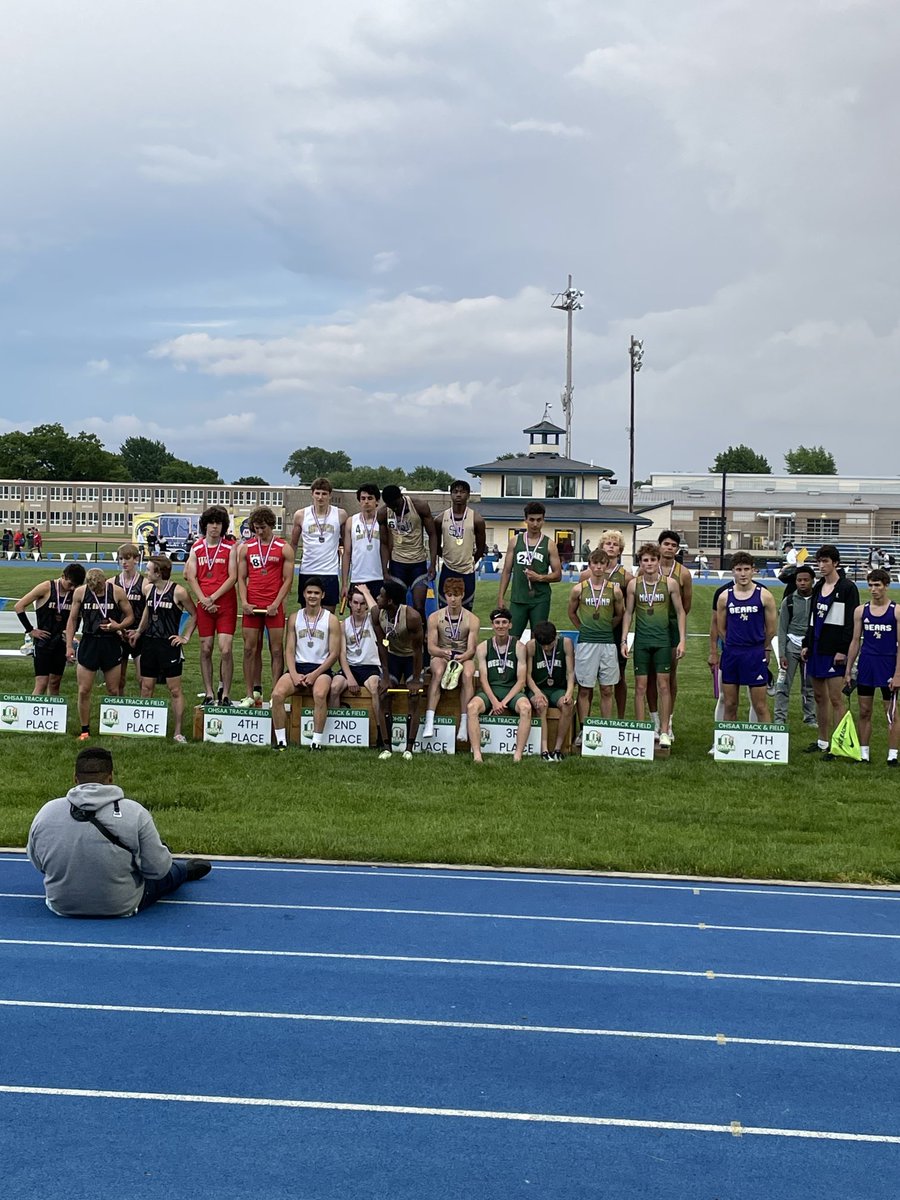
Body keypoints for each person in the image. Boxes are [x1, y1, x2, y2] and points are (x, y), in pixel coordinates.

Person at [27, 747, 211, 917]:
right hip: (121, 905)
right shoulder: (135, 812)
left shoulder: (46, 812)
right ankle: (183, 870)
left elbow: (38, 863)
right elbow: (158, 870)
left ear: (75, 778)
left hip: (61, 904)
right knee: (168, 871)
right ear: (110, 778)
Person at [619, 543, 686, 748]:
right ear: (640, 563)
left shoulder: (670, 584)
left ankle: (664, 730)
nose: (649, 563)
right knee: (640, 687)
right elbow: (628, 613)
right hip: (642, 642)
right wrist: (624, 640)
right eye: (645, 560)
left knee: (664, 685)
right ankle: (642, 730)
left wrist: (682, 640)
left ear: (658, 561)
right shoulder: (634, 585)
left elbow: (680, 612)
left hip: (663, 641)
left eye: (652, 560)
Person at [126, 556, 197, 743]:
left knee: (174, 690)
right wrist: (139, 632)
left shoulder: (179, 592)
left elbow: (194, 614)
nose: (145, 573)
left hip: (169, 645)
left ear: (158, 573)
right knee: (146, 687)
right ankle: (144, 726)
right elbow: (148, 611)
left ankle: (178, 731)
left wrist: (185, 637)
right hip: (149, 643)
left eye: (148, 570)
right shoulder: (148, 589)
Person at [801, 544, 860, 757]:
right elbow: (812, 618)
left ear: (835, 563)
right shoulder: (818, 587)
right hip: (817, 649)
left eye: (825, 561)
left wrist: (843, 650)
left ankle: (839, 744)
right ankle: (822, 741)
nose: (821, 565)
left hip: (835, 651)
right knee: (819, 697)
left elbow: (851, 623)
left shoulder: (847, 588)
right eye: (819, 561)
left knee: (836, 698)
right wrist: (807, 643)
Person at [271, 577, 340, 751]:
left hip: (321, 669)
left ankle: (316, 742)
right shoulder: (294, 618)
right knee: (277, 695)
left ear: (323, 595)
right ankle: (281, 741)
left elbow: (334, 654)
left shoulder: (331, 620)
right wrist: (293, 674)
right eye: (309, 592)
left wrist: (315, 674)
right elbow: (289, 650)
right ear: (303, 594)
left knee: (319, 694)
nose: (312, 596)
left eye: (316, 593)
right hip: (298, 667)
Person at [66, 568, 135, 740]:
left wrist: (118, 626)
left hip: (110, 642)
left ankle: (114, 728)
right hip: (89, 641)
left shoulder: (117, 592)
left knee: (113, 689)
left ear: (105, 581)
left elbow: (130, 616)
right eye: (93, 589)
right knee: (84, 690)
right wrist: (69, 645)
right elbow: (72, 619)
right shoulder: (80, 593)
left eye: (99, 589)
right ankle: (85, 730)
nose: (96, 591)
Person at [236, 506, 294, 706]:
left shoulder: (283, 547)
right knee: (249, 649)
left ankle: (275, 695)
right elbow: (241, 578)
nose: (259, 532)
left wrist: (276, 603)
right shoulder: (246, 547)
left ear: (271, 525)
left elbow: (288, 579)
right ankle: (250, 694)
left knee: (276, 650)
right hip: (252, 605)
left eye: (263, 528)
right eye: (256, 528)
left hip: (273, 606)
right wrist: (244, 602)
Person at [844, 568, 900, 765]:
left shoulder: (896, 611)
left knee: (891, 713)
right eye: (870, 585)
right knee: (864, 710)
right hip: (867, 664)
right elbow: (855, 641)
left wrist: (898, 673)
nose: (873, 589)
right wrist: (848, 670)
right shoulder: (861, 611)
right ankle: (864, 753)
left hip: (888, 664)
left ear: (886, 586)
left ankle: (892, 755)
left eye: (877, 585)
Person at [184, 505, 238, 706]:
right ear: (205, 525)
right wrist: (204, 600)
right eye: (211, 523)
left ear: (223, 526)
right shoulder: (197, 547)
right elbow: (191, 576)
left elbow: (233, 577)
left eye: (218, 523)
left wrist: (213, 597)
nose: (214, 527)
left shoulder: (230, 547)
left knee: (226, 649)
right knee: (206, 649)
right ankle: (208, 692)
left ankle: (225, 694)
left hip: (225, 604)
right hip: (204, 604)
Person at [366, 578, 425, 759]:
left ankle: (409, 748)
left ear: (390, 601)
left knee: (414, 696)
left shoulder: (412, 617)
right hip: (392, 657)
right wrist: (385, 676)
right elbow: (381, 645)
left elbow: (418, 650)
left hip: (411, 658)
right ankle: (387, 747)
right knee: (383, 693)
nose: (377, 598)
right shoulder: (376, 613)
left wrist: (416, 679)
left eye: (381, 596)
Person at [715, 551, 777, 723]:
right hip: (732, 654)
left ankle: (765, 739)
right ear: (733, 571)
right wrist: (734, 644)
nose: (742, 574)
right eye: (739, 569)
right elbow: (721, 628)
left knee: (760, 706)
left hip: (754, 654)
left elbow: (771, 629)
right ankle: (728, 740)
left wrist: (760, 647)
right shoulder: (724, 597)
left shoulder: (764, 595)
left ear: (753, 570)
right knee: (730, 704)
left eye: (746, 569)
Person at [467, 607, 532, 764]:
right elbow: (483, 680)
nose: (500, 626)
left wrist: (503, 702)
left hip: (512, 692)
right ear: (492, 625)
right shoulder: (483, 647)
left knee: (526, 708)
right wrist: (494, 701)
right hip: (490, 691)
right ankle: (477, 754)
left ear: (510, 625)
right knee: (472, 707)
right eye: (497, 622)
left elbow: (521, 681)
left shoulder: (519, 647)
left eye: (504, 622)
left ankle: (518, 754)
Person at [567, 549, 624, 725]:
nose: (598, 567)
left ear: (607, 566)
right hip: (586, 643)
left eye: (602, 563)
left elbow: (619, 614)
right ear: (590, 565)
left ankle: (606, 727)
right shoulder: (578, 589)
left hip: (607, 643)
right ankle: (584, 728)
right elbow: (571, 613)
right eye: (595, 563)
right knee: (584, 689)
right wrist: (583, 628)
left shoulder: (615, 590)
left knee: (607, 689)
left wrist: (607, 629)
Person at [329, 585, 390, 750]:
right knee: (334, 687)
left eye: (362, 603)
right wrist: (349, 678)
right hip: (352, 667)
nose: (358, 607)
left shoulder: (373, 620)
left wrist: (367, 593)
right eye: (355, 603)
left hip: (371, 667)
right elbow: (341, 654)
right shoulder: (343, 625)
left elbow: (376, 609)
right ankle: (336, 730)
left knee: (375, 688)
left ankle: (381, 734)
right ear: (349, 603)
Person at [14, 563, 87, 695]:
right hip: (44, 641)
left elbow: (77, 617)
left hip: (61, 642)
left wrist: (71, 635)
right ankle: (33, 708)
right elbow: (19, 606)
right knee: (41, 682)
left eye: (76, 586)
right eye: (70, 584)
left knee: (55, 683)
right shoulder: (46, 587)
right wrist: (30, 630)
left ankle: (52, 708)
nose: (72, 588)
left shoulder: (76, 593)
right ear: (63, 576)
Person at [423, 575, 480, 743]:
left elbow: (471, 650)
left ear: (463, 595)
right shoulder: (435, 617)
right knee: (438, 671)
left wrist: (463, 657)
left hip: (462, 655)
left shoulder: (472, 619)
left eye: (456, 595)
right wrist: (442, 652)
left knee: (468, 674)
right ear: (444, 596)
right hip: (441, 654)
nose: (453, 599)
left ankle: (464, 723)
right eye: (449, 595)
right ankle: (429, 720)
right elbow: (431, 647)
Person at [647, 531, 693, 741]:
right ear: (659, 546)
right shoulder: (647, 568)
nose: (669, 548)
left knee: (669, 674)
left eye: (673, 545)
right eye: (666, 544)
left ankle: (669, 722)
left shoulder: (683, 573)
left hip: (671, 627)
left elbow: (686, 605)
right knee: (649, 674)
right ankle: (654, 720)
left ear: (677, 549)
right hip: (650, 626)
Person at [497, 501, 562, 640]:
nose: (535, 524)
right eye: (531, 519)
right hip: (518, 599)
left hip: (540, 599)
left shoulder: (549, 544)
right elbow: (507, 571)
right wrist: (501, 597)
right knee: (512, 639)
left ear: (543, 520)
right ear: (525, 520)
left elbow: (558, 575)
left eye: (539, 520)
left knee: (538, 639)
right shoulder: (515, 541)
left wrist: (539, 577)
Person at [378, 485, 438, 628]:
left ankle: (423, 638)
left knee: (419, 607)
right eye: (391, 507)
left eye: (397, 505)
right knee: (398, 609)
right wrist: (385, 570)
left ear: (401, 496)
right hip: (397, 565)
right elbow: (384, 543)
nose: (395, 509)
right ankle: (399, 639)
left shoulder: (419, 506)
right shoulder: (383, 513)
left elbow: (432, 534)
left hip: (418, 564)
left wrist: (433, 563)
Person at [291, 477, 347, 611]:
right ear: (312, 494)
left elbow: (346, 546)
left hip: (329, 572)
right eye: (317, 493)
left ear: (330, 495)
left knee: (328, 616)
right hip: (307, 570)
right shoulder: (301, 515)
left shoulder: (340, 514)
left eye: (324, 494)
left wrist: (345, 582)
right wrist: (289, 571)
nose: (320, 497)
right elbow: (293, 544)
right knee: (307, 614)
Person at [773, 563, 817, 727]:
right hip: (791, 646)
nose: (802, 583)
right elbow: (782, 628)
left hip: (810, 647)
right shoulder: (789, 601)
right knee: (783, 684)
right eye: (799, 580)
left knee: (809, 686)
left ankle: (810, 717)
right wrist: (781, 653)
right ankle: (779, 718)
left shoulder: (818, 600)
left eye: (806, 580)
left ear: (812, 581)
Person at [526, 620, 575, 761]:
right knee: (541, 705)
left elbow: (570, 673)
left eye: (550, 644)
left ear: (555, 637)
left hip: (557, 689)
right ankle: (544, 749)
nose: (547, 648)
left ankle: (558, 748)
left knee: (567, 705)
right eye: (543, 645)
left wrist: (569, 692)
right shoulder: (531, 646)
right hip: (538, 688)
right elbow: (527, 675)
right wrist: (537, 692)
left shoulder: (566, 643)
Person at [436, 479, 486, 610]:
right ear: (451, 494)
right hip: (448, 568)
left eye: (462, 492)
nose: (458, 495)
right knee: (444, 609)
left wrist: (471, 560)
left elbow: (481, 547)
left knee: (466, 610)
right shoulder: (440, 519)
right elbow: (435, 544)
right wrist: (445, 557)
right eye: (455, 492)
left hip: (467, 570)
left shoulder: (477, 519)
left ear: (468, 495)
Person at [341, 483, 384, 605]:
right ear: (359, 501)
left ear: (377, 501)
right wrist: (344, 584)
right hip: (358, 577)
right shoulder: (351, 521)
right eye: (363, 498)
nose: (366, 502)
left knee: (378, 614)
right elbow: (347, 553)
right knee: (357, 613)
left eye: (370, 498)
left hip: (379, 577)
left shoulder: (383, 520)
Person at [114, 543, 146, 694]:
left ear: (136, 559)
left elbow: (149, 609)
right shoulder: (112, 583)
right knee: (118, 680)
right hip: (118, 634)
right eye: (121, 559)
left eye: (127, 558)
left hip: (138, 634)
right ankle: (118, 706)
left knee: (143, 680)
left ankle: (143, 706)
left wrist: (139, 630)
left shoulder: (145, 583)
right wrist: (117, 628)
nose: (124, 562)